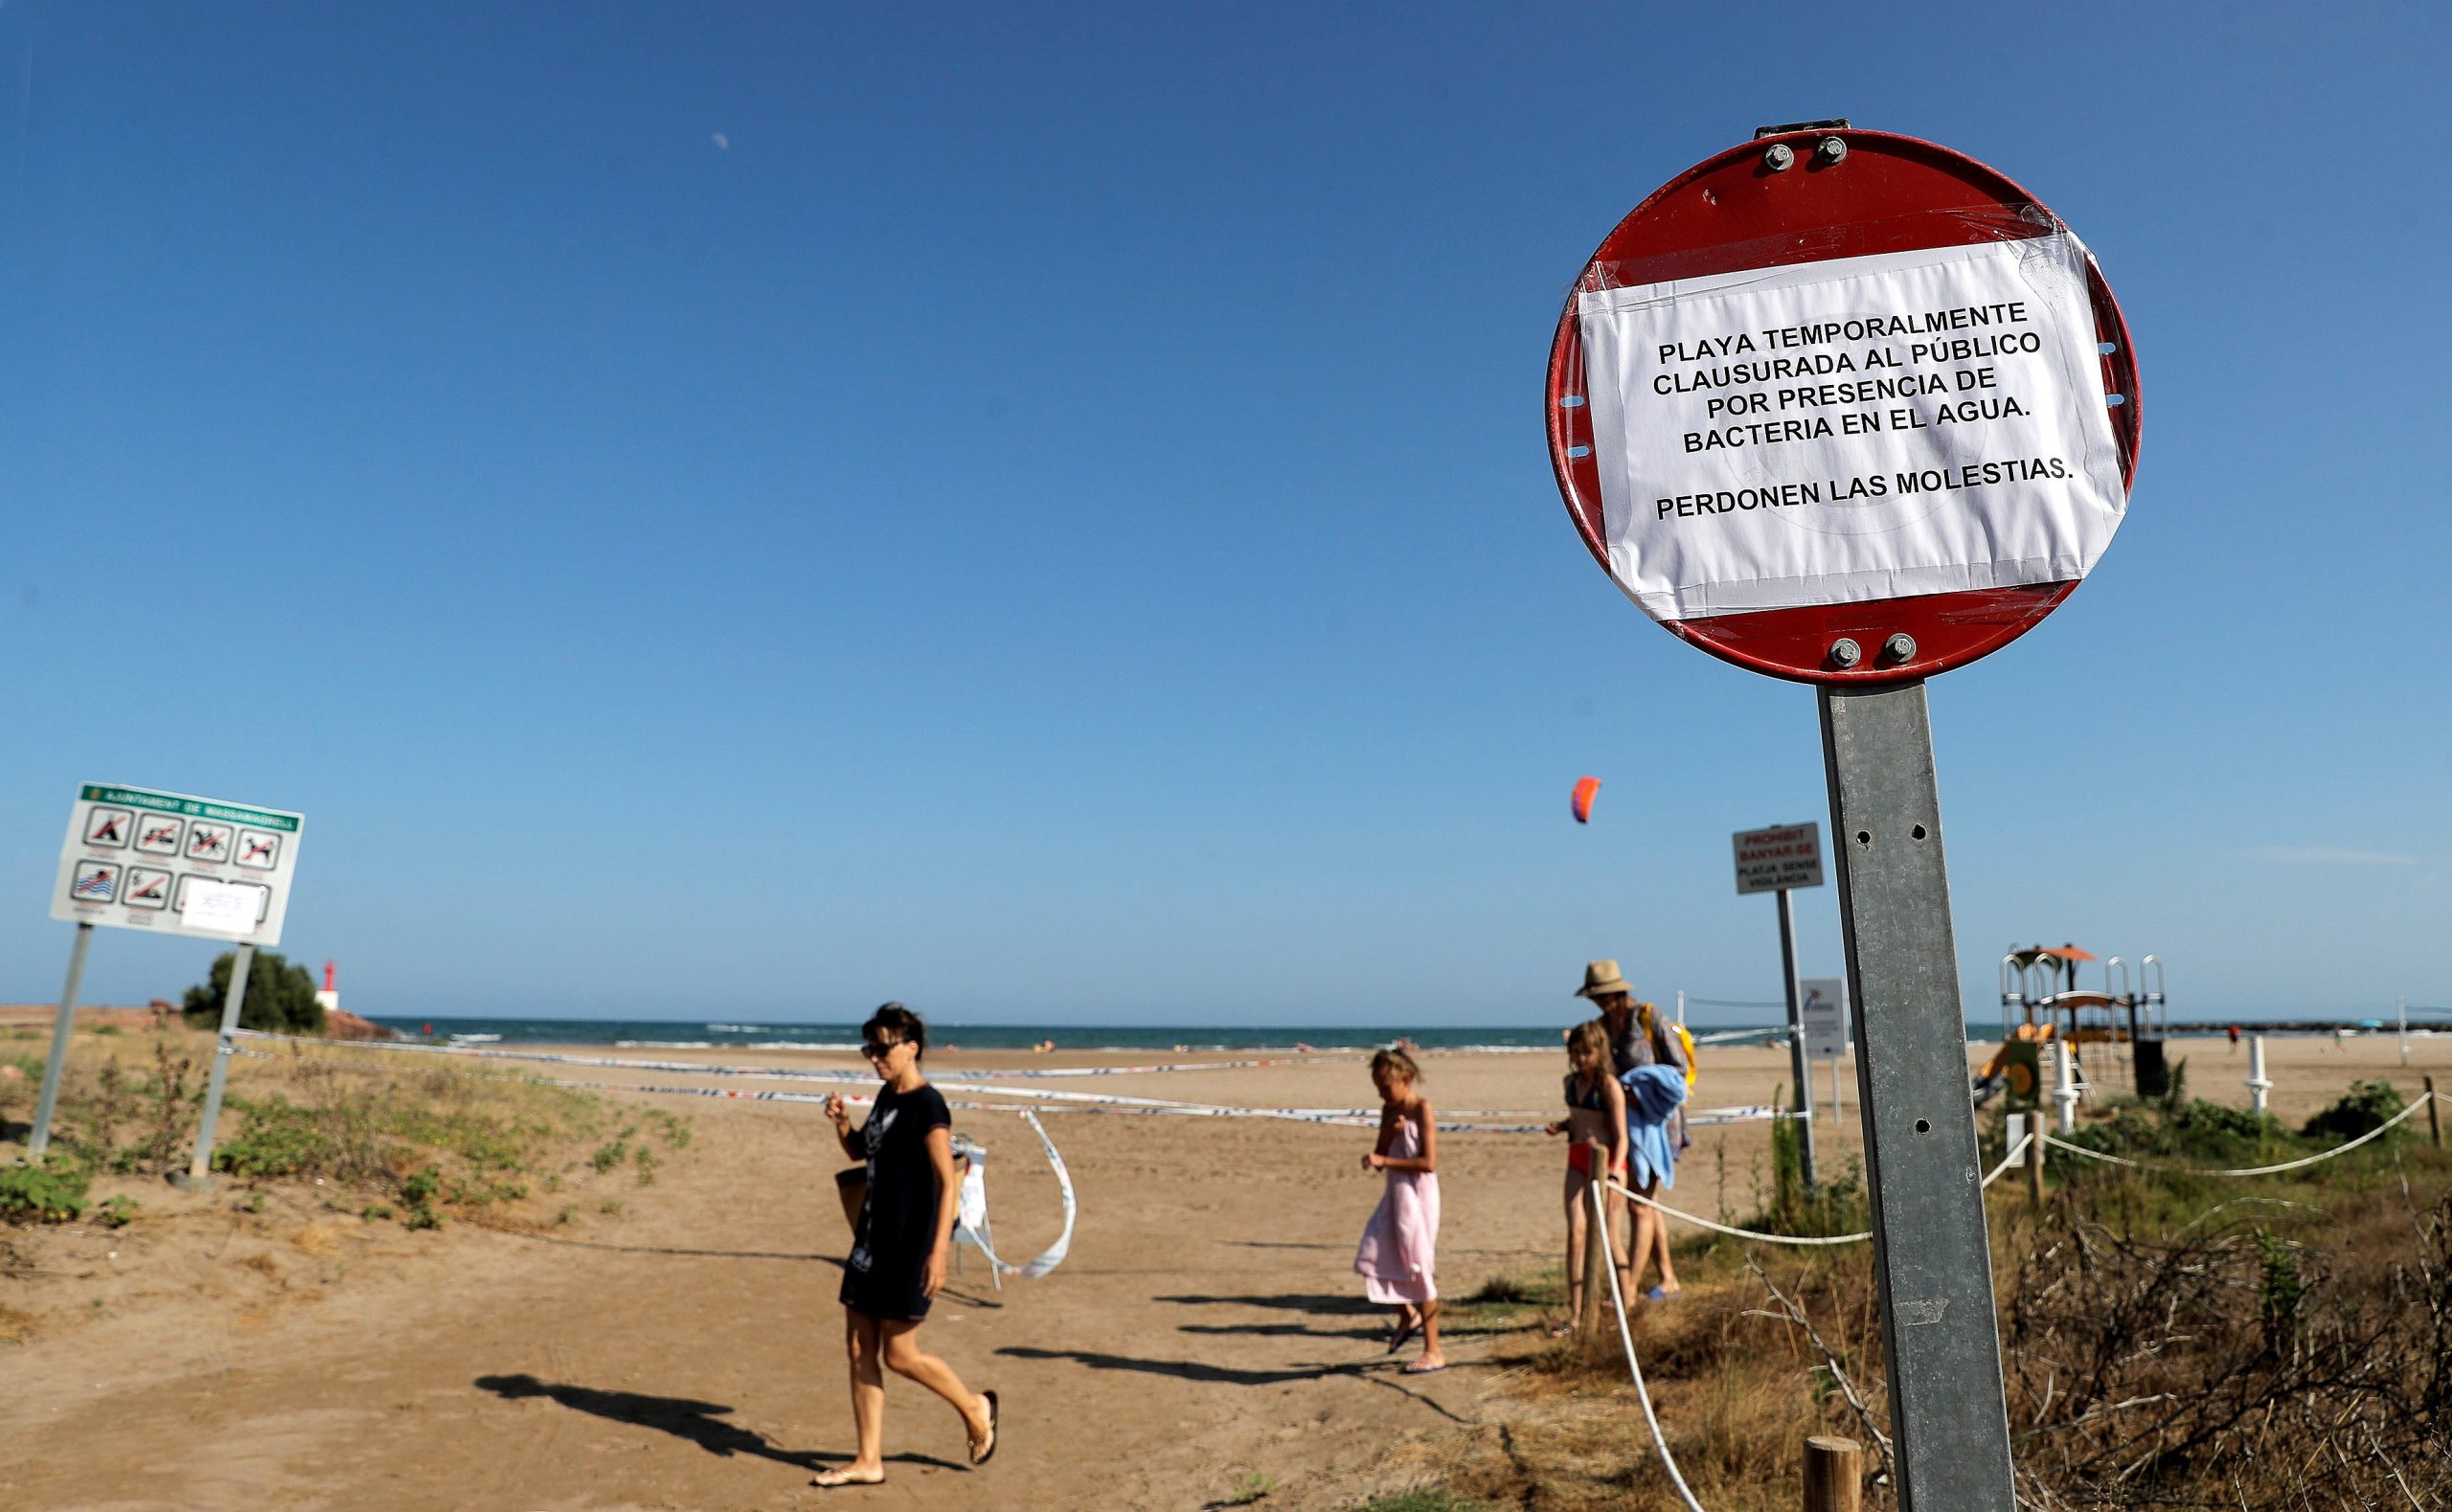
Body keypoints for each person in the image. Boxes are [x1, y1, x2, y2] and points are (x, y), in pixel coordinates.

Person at [814, 1004, 998, 1488]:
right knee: (859, 1348)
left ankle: (975, 1407)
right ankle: (868, 1460)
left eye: (882, 1048)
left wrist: (939, 1252)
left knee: (899, 1355)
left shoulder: (927, 1105)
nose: (874, 1057)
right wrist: (841, 1123)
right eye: (868, 1049)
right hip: (871, 1239)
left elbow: (948, 1181)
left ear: (911, 1047)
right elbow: (861, 1151)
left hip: (909, 1246)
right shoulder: (886, 1097)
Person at [1574, 959, 1685, 1301]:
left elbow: (1678, 1067)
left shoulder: (1648, 1017)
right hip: (1621, 1126)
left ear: (1618, 992)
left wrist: (1639, 1089)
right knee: (1646, 1203)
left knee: (1641, 1205)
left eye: (1604, 995)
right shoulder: (1601, 1028)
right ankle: (1667, 1277)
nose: (1600, 1002)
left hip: (1655, 1125)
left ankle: (1630, 1289)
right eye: (1596, 997)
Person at [1354, 1047, 1444, 1372]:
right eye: (1378, 1088)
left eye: (1386, 1087)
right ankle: (1407, 1314)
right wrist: (1388, 1135)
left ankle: (1434, 1350)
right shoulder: (1388, 1110)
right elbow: (1379, 1158)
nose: (1382, 1094)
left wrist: (1386, 1159)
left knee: (1418, 1265)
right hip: (1394, 1194)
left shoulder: (1422, 1108)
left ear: (1405, 1079)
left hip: (1418, 1196)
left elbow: (1428, 1163)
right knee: (1373, 1255)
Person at [1545, 1018, 1630, 1329]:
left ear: (1599, 1051)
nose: (1581, 1058)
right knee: (1576, 1233)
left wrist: (1615, 1173)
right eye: (1576, 1052)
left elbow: (1621, 1136)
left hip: (1607, 1163)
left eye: (1587, 1052)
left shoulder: (1609, 1086)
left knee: (1609, 1236)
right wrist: (1562, 1126)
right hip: (1577, 1158)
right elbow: (1579, 1120)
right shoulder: (1570, 1083)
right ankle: (1577, 1313)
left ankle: (1627, 1304)